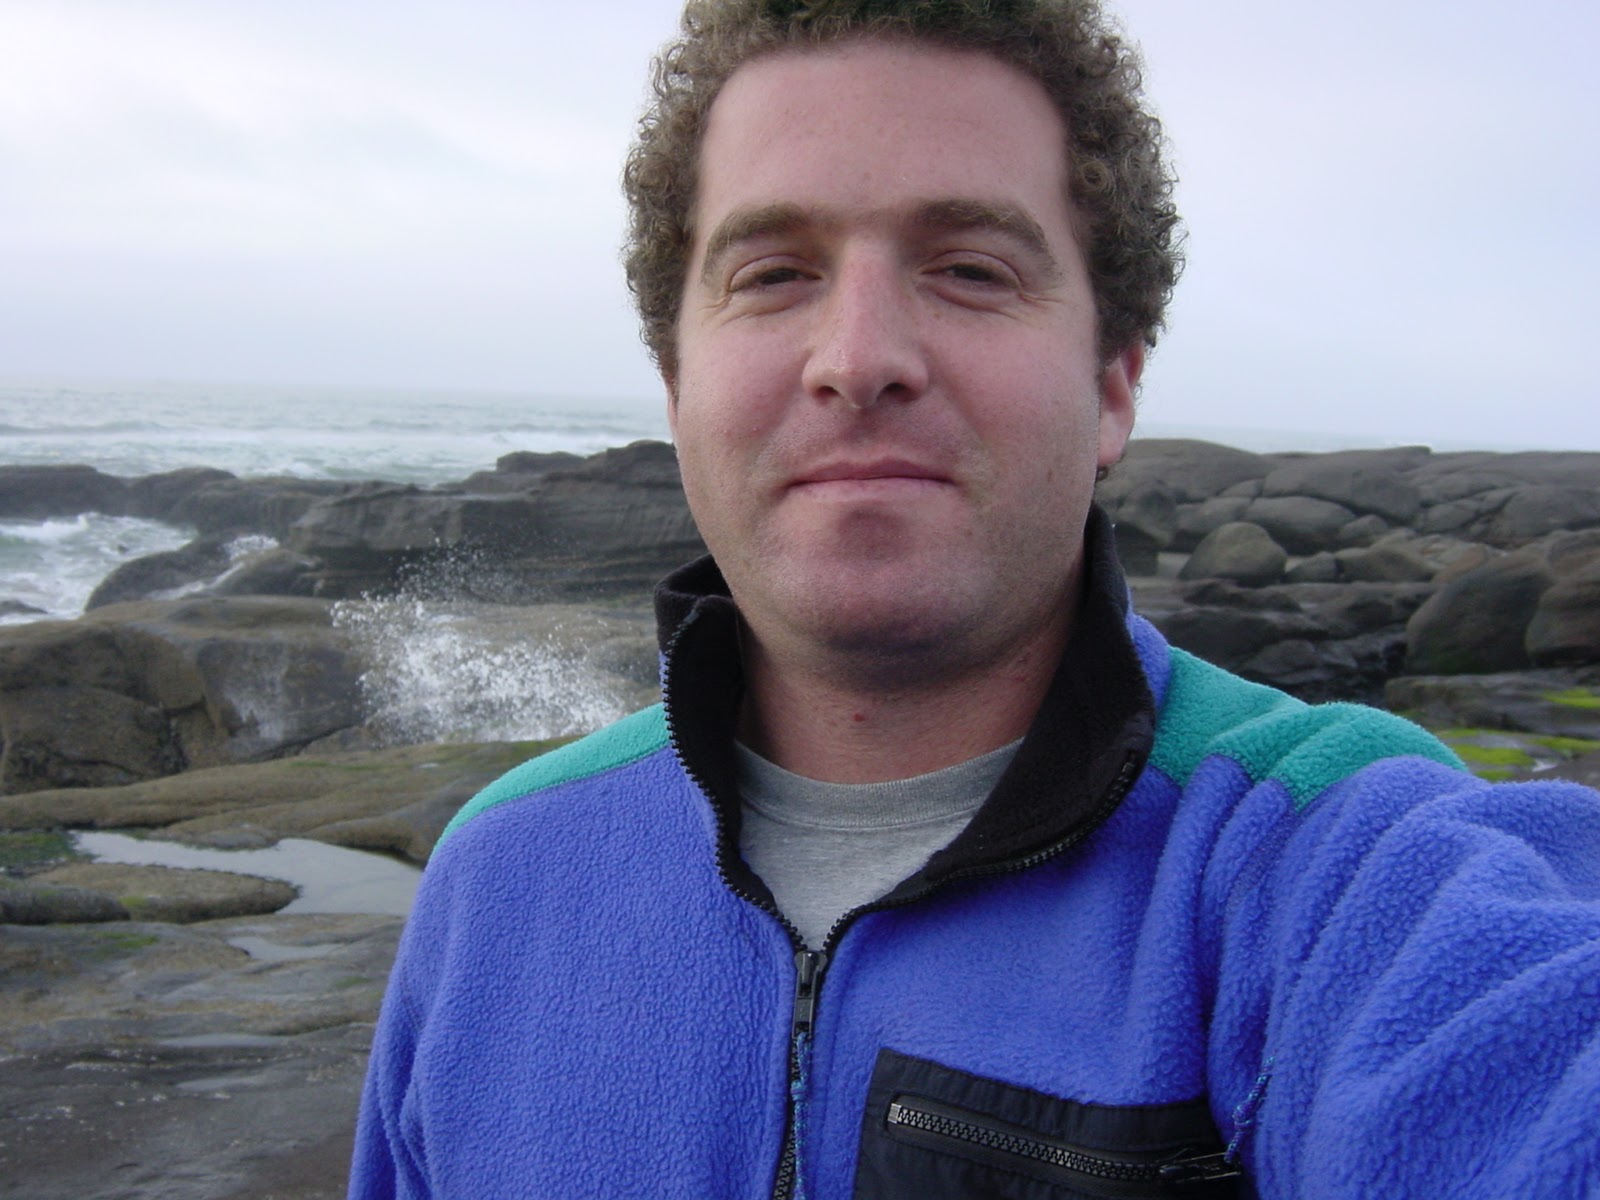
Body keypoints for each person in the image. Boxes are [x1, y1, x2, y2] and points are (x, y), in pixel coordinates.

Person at [348, 2, 1600, 1197]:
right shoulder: (498, 883)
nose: (859, 359)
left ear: (1112, 386)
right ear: (677, 389)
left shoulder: (1323, 864)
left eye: (970, 269)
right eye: (775, 272)